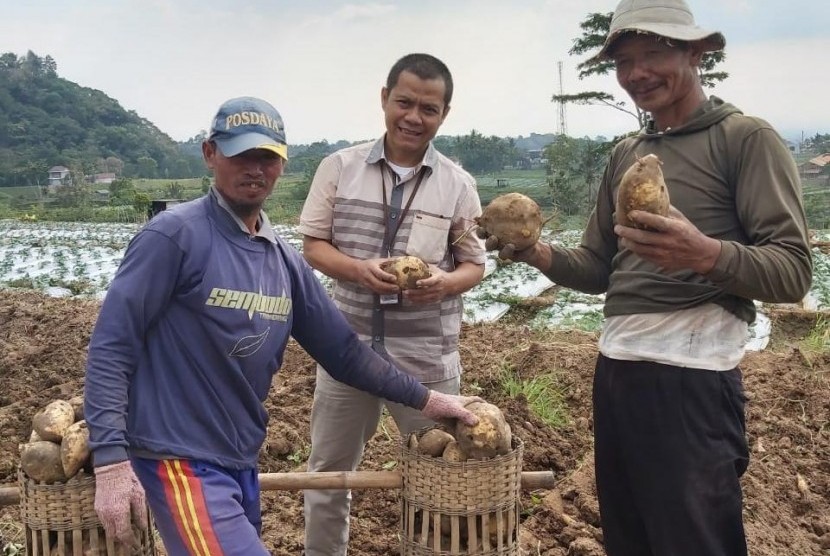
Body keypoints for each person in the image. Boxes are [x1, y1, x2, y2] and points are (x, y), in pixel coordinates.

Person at [83, 96, 482, 556]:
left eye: (267, 158)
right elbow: (113, 345)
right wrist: (112, 461)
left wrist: (428, 399)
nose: (255, 168)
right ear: (211, 154)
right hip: (179, 459)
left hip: (237, 459)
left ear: (282, 166)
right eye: (242, 154)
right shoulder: (173, 237)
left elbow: (344, 353)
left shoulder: (282, 261)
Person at [506, 1, 813, 555]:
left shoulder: (744, 138)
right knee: (631, 537)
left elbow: (792, 270)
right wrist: (532, 251)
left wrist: (704, 254)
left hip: (692, 378)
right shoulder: (627, 153)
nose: (637, 73)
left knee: (692, 541)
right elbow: (600, 269)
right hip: (618, 369)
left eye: (654, 54)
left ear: (696, 52)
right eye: (624, 61)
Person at [298, 53, 486, 555]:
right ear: (384, 99)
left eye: (428, 108)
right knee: (328, 478)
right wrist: (360, 270)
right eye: (404, 102)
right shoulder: (339, 168)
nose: (413, 117)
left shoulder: (457, 185)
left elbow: (475, 263)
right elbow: (313, 245)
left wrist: (444, 283)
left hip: (427, 363)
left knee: (441, 480)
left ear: (444, 114)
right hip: (347, 354)